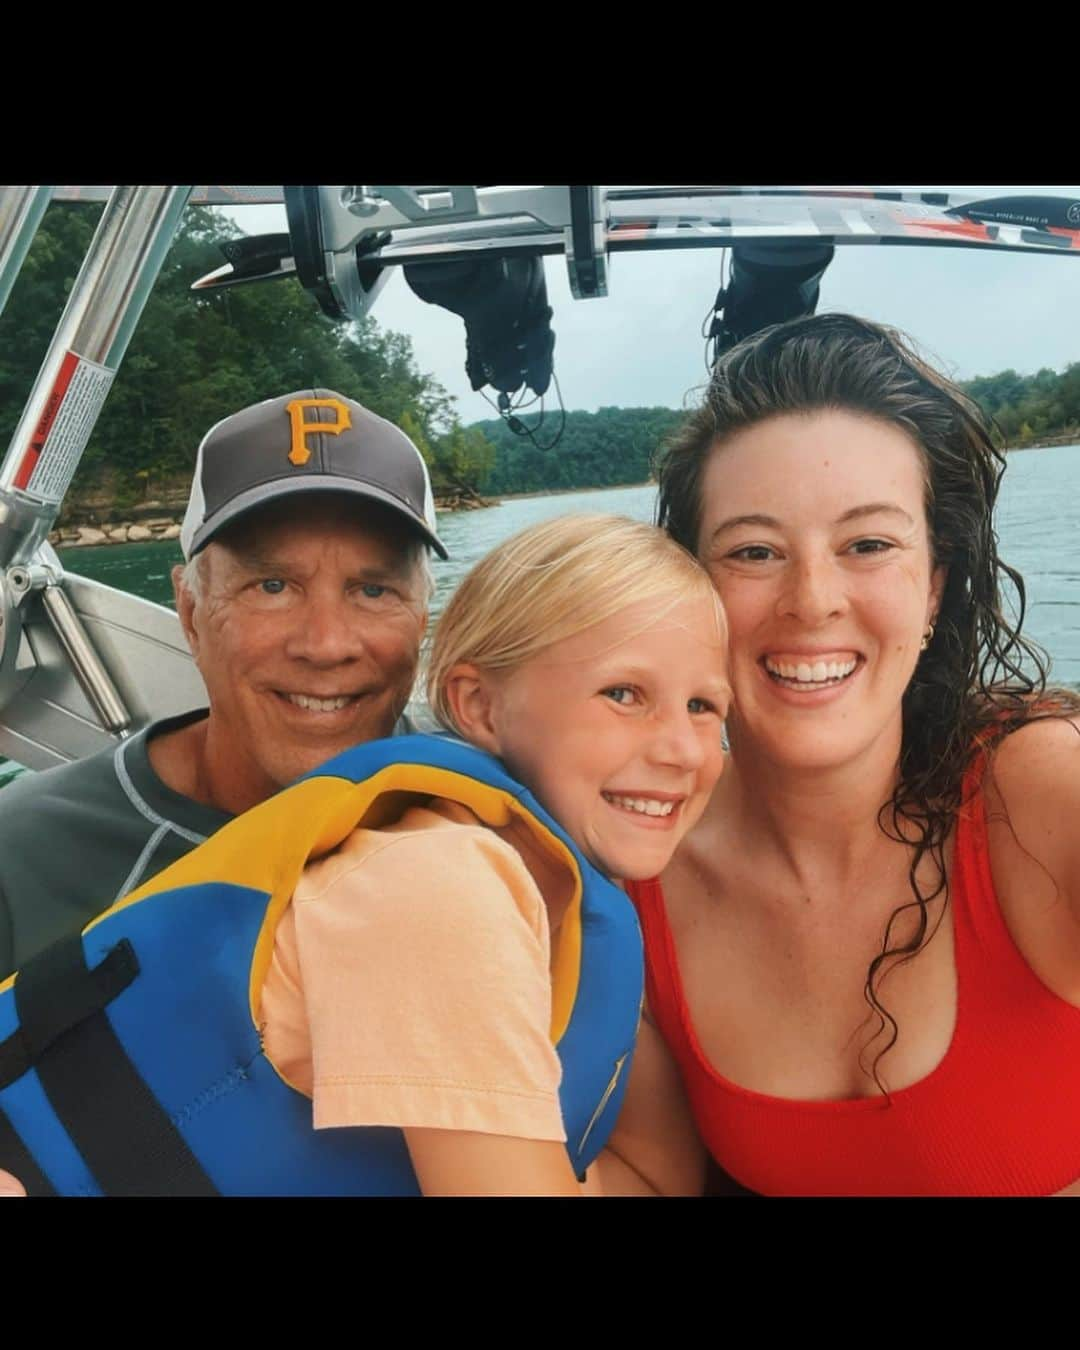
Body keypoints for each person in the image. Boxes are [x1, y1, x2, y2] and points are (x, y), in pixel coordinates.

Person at [0, 513, 729, 1196]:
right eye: (624, 693)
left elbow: (654, 1175)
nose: (681, 750)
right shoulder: (436, 888)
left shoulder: (559, 894)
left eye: (705, 707)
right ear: (476, 706)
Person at [626, 311, 1080, 1197]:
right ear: (689, 592)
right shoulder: (640, 860)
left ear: (936, 587)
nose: (813, 600)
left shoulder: (1034, 793)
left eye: (868, 544)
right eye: (754, 551)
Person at [0, 389, 441, 977]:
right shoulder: (24, 859)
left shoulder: (502, 819)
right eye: (272, 587)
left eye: (373, 590)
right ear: (190, 613)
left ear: (421, 620)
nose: (327, 644)